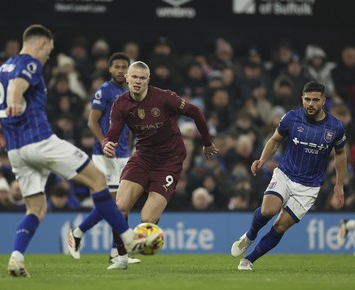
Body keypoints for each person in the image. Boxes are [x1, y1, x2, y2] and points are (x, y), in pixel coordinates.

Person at [0, 24, 160, 278]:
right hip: (41, 142)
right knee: (98, 180)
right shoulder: (30, 63)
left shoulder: (2, 68)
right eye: (49, 50)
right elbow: (18, 86)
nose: (48, 56)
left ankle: (16, 256)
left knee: (36, 209)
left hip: (16, 151)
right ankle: (127, 239)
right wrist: (14, 99)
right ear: (42, 44)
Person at [68, 61, 219, 270]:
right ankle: (120, 258)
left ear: (148, 80)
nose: (138, 81)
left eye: (142, 78)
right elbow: (113, 132)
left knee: (147, 219)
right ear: (127, 78)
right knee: (120, 207)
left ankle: (135, 242)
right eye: (134, 77)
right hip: (142, 157)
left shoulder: (164, 97)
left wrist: (207, 142)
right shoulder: (120, 104)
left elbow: (195, 112)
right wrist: (107, 143)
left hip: (169, 161)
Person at [231, 81, 347, 271]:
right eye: (307, 99)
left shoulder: (335, 127)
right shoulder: (291, 118)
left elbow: (341, 154)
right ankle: (250, 235)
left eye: (315, 100)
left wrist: (339, 184)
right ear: (302, 98)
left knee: (280, 227)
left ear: (323, 101)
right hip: (285, 174)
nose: (311, 104)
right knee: (268, 211)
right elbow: (275, 139)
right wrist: (262, 159)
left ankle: (248, 260)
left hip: (310, 186)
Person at [86, 52, 139, 264]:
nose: (120, 70)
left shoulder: (129, 93)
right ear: (110, 69)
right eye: (116, 67)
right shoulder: (105, 91)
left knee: (123, 203)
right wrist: (104, 142)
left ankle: (117, 252)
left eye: (124, 67)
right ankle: (80, 232)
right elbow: (92, 121)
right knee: (116, 203)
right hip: (104, 155)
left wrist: (132, 147)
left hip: (123, 154)